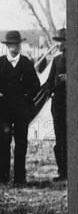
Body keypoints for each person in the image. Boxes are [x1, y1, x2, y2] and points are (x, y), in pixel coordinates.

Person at [0, 30, 40, 184]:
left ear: (20, 46)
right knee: (4, 140)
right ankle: (2, 176)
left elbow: (36, 84)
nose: (14, 47)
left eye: (16, 45)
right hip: (3, 109)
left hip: (22, 109)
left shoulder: (26, 63)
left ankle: (19, 177)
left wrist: (27, 96)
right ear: (7, 46)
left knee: (21, 141)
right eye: (11, 45)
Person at [44, 28, 66, 181]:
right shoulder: (56, 60)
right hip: (57, 104)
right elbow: (49, 82)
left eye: (62, 41)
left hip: (70, 104)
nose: (59, 44)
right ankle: (62, 171)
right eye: (57, 41)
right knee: (59, 137)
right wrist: (49, 90)